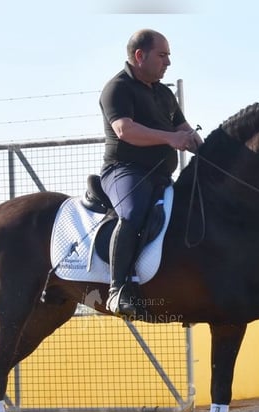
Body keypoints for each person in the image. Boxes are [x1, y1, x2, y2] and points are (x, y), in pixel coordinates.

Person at [99, 28, 203, 318]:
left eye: (168, 55)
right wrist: (169, 139)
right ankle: (117, 290)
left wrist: (207, 150)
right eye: (162, 55)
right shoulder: (117, 88)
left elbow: (183, 130)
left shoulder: (164, 93)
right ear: (139, 55)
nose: (168, 62)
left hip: (161, 176)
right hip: (124, 172)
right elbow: (124, 130)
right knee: (132, 213)